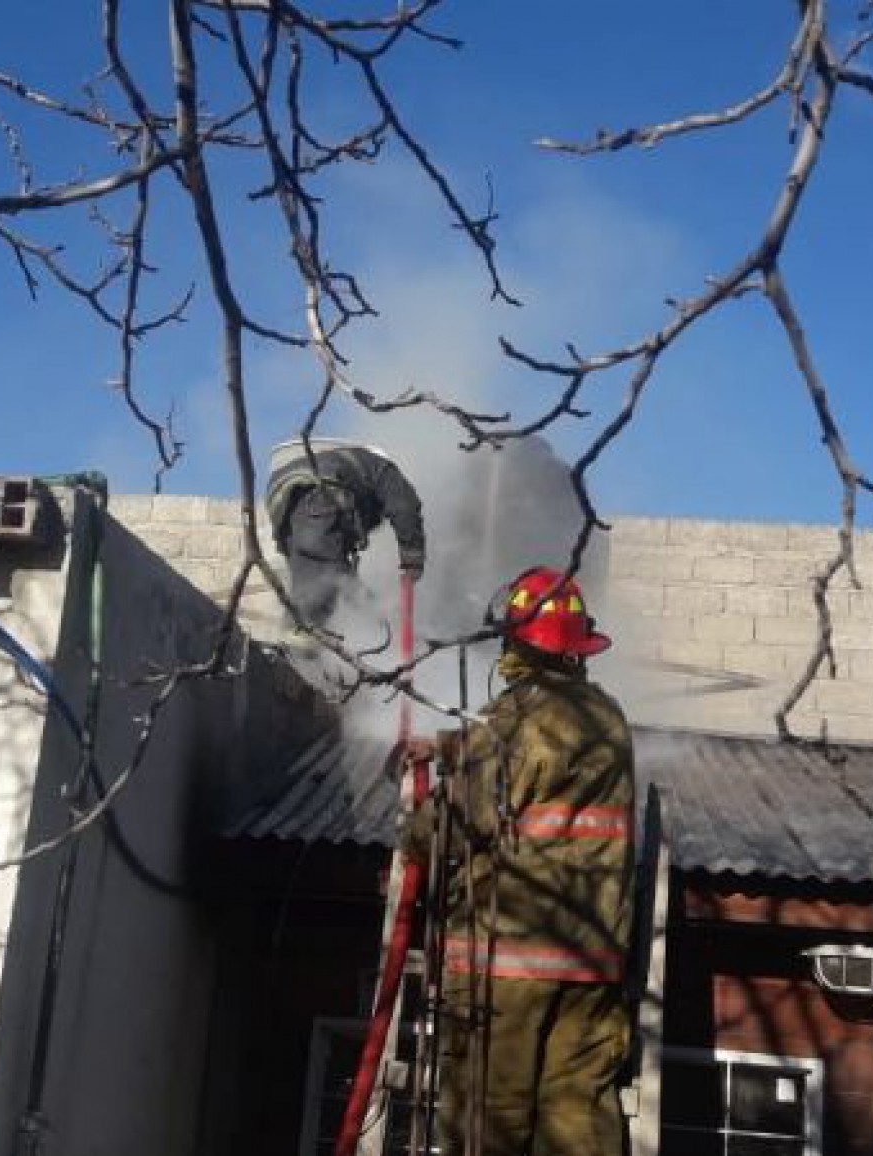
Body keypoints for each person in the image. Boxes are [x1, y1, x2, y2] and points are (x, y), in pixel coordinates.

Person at [404, 566, 636, 1155]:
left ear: (516, 641)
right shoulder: (606, 718)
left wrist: (411, 844)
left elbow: (466, 815)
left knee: (491, 1118)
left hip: (507, 958)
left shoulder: (517, 716)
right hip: (592, 957)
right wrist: (456, 745)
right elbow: (545, 767)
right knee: (579, 1114)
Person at [264, 438, 426, 630]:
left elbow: (340, 572)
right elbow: (404, 505)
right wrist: (412, 559)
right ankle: (301, 646)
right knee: (318, 592)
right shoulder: (382, 468)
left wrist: (373, 610)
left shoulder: (348, 468)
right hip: (319, 491)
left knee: (309, 587)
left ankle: (297, 652)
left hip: (280, 504)